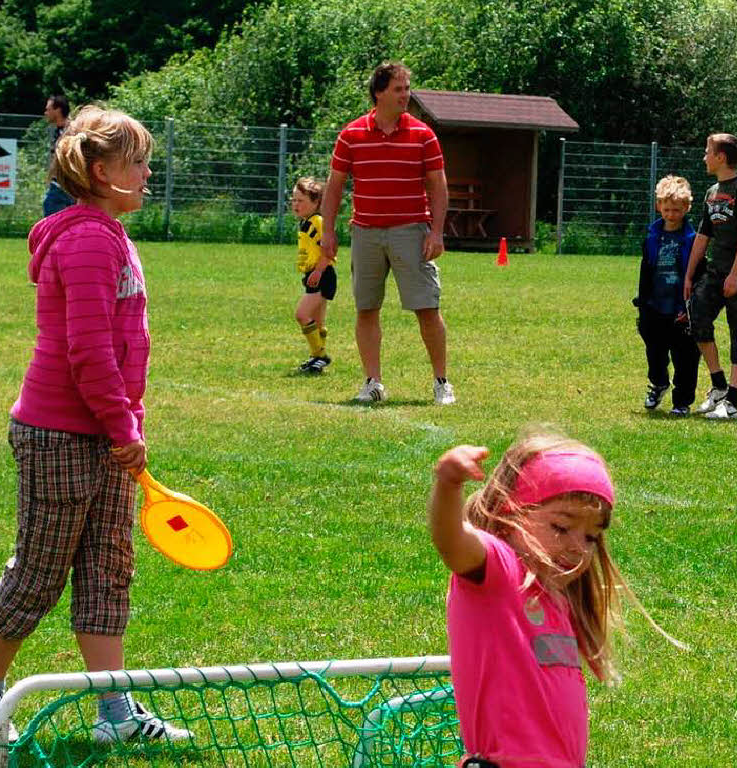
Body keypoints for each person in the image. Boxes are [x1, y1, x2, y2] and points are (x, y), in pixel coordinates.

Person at [0, 105, 191, 745]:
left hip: (109, 436)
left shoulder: (110, 233)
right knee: (38, 572)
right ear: (99, 171)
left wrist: (125, 429)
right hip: (62, 434)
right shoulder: (90, 239)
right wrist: (125, 429)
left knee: (105, 572)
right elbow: (88, 352)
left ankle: (113, 716)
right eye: (137, 163)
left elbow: (116, 349)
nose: (149, 173)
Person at [427, 431, 685, 768]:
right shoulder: (501, 572)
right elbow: (452, 543)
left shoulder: (558, 599)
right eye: (562, 527)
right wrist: (448, 485)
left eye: (591, 536)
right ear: (511, 511)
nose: (579, 547)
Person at [321, 61, 455, 405]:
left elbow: (438, 187)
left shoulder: (423, 134)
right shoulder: (351, 134)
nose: (406, 95)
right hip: (365, 232)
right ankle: (372, 382)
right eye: (399, 89)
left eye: (407, 88)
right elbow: (334, 187)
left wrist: (436, 232)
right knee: (366, 308)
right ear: (379, 92)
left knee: (427, 307)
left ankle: (442, 383)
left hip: (411, 231)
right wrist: (329, 232)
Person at [683, 133, 737, 420]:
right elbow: (704, 236)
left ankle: (732, 403)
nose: (704, 157)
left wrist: (735, 276)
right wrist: (689, 276)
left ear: (721, 157)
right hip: (716, 271)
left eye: (708, 152)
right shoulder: (711, 192)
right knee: (697, 316)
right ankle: (718, 387)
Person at [633, 175, 701, 416]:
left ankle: (682, 401)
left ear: (686, 208)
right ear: (658, 206)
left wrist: (691, 306)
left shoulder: (693, 239)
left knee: (686, 356)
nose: (671, 214)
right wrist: (642, 302)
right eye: (667, 209)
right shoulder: (652, 235)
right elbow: (645, 269)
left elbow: (698, 273)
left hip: (681, 308)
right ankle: (658, 382)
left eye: (676, 210)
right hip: (654, 305)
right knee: (654, 350)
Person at [292, 177, 336, 373]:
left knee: (302, 315)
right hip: (315, 273)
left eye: (300, 201)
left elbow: (330, 249)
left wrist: (318, 270)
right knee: (318, 322)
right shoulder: (306, 222)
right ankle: (316, 358)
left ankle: (320, 356)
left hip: (323, 273)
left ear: (316, 203)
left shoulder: (317, 222)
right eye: (293, 200)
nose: (295, 204)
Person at [42, 94, 76, 216]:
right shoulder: (59, 130)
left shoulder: (70, 131)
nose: (46, 112)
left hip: (65, 185)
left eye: (48, 109)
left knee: (50, 211)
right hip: (62, 185)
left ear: (58, 110)